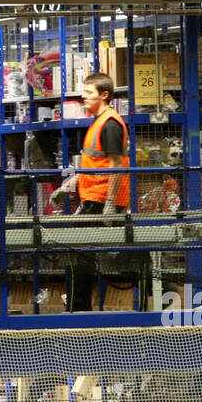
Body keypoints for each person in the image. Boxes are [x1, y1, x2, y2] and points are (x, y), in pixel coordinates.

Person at [62, 72, 131, 312]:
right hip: (93, 196)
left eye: (89, 92)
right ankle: (77, 307)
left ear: (104, 95)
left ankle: (77, 310)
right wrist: (69, 184)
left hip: (101, 199)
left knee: (78, 255)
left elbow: (116, 165)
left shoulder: (110, 124)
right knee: (81, 254)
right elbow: (94, 161)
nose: (83, 96)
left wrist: (110, 203)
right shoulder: (98, 121)